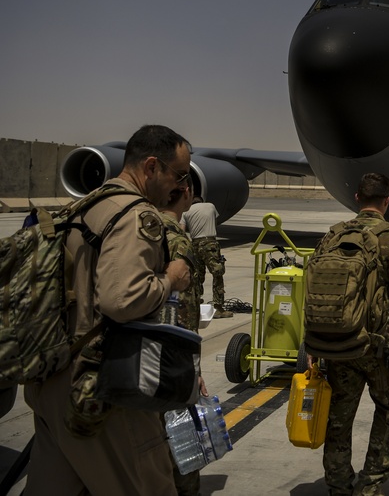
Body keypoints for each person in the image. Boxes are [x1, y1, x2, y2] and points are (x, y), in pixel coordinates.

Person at [22, 124, 192, 496]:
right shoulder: (134, 215)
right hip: (100, 387)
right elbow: (122, 301)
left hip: (52, 378)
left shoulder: (85, 205)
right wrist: (171, 278)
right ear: (151, 167)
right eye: (178, 175)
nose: (180, 186)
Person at [308, 172, 389, 496]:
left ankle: (338, 486)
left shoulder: (333, 236)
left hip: (338, 343)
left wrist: (313, 343)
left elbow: (315, 291)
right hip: (377, 348)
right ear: (387, 201)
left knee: (339, 418)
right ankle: (370, 485)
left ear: (357, 199)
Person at [159, 184, 208, 496]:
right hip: (170, 359)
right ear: (187, 194)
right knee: (182, 437)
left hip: (134, 353)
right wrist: (194, 368)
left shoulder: (139, 230)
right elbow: (185, 312)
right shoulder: (177, 240)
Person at [183, 195, 233, 318]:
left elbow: (182, 230)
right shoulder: (210, 206)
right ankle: (218, 307)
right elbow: (214, 222)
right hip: (210, 243)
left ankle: (197, 302)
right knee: (217, 274)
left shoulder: (186, 212)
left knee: (197, 275)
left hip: (195, 244)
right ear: (202, 201)